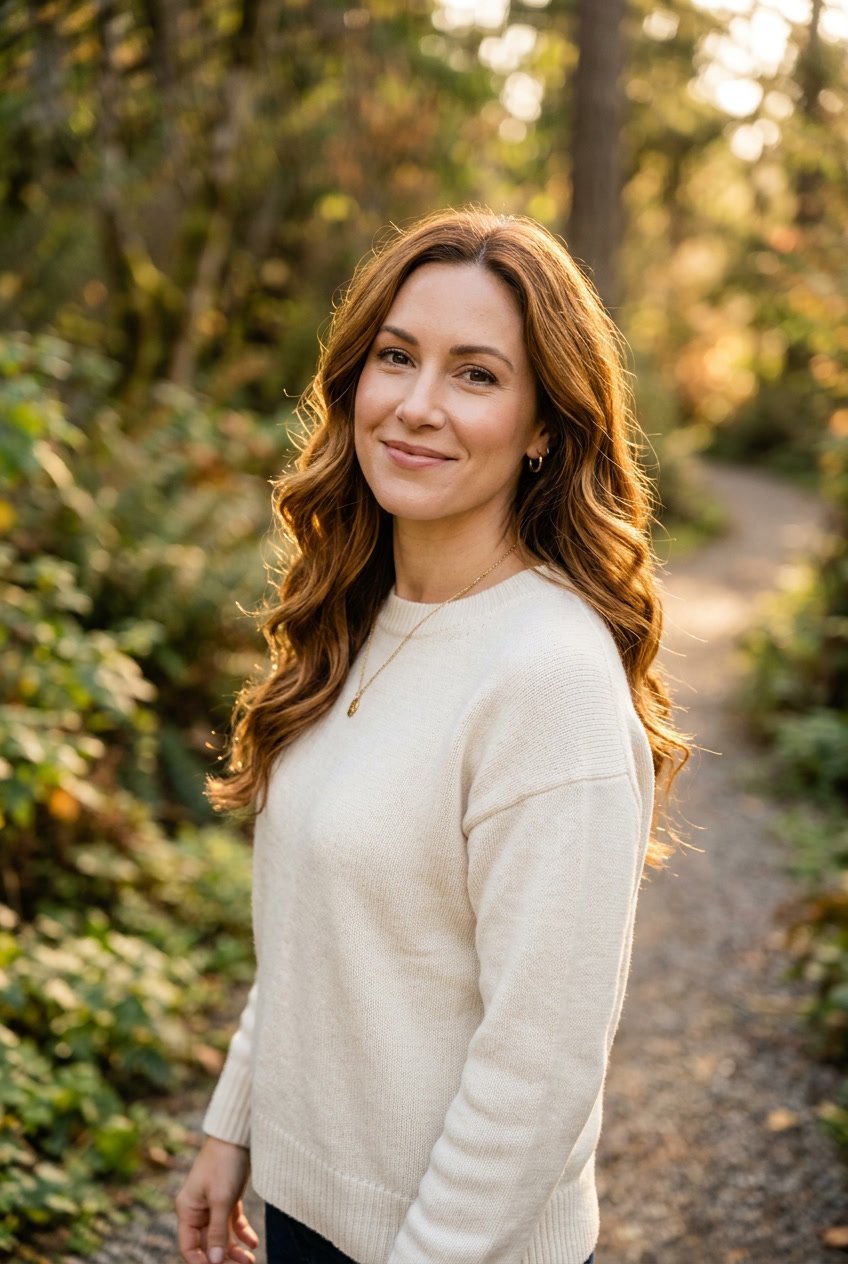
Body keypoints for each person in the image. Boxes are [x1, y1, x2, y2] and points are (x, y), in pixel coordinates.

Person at [175, 207, 688, 1264]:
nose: (416, 406)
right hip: (305, 1214)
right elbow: (317, 924)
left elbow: (539, 1068)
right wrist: (236, 1122)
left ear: (545, 426)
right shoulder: (360, 617)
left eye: (476, 374)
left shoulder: (547, 676)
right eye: (396, 357)